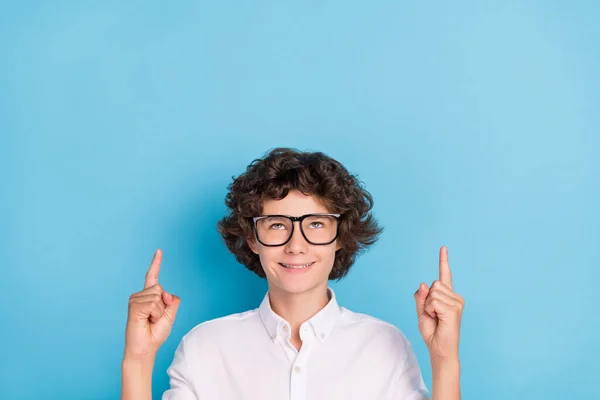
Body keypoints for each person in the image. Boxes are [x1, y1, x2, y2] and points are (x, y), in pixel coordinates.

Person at [121, 148, 465, 400]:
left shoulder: (385, 346)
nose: (296, 245)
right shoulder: (205, 347)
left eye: (316, 224)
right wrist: (138, 359)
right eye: (276, 225)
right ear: (252, 238)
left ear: (340, 238)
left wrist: (445, 358)